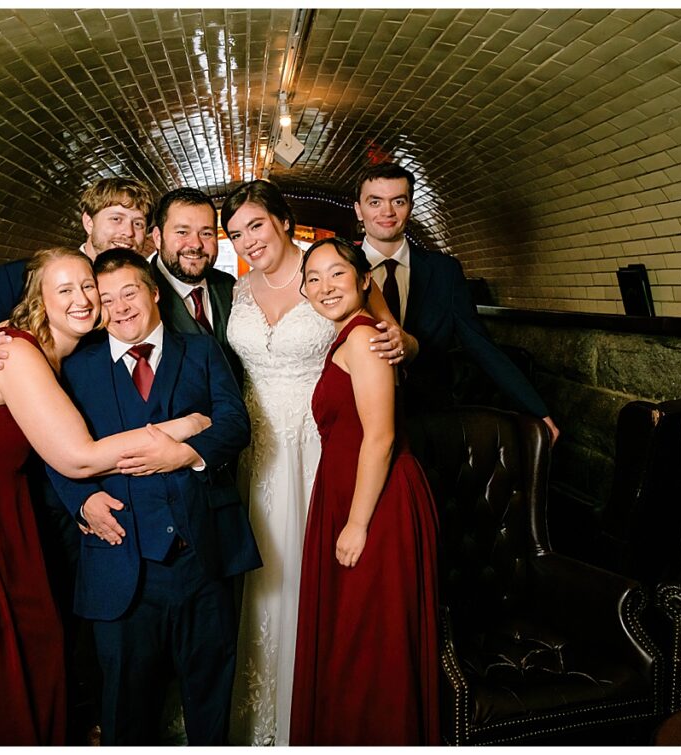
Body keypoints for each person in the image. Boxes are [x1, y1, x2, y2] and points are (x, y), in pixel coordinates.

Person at [0, 247, 211, 745]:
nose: (82, 298)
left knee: (26, 634)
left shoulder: (69, 355)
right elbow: (76, 457)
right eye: (64, 290)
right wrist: (186, 427)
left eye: (87, 287)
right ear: (39, 300)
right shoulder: (17, 350)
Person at [220, 180, 408, 746]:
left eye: (256, 225)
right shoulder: (238, 290)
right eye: (236, 233)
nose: (248, 240)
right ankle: (258, 713)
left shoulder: (329, 271)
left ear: (282, 220)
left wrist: (401, 342)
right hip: (254, 452)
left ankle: (310, 705)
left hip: (315, 447)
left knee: (309, 574)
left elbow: (388, 337)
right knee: (258, 576)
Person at [46, 249, 260, 745]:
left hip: (202, 557)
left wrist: (187, 455)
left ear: (154, 292)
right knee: (125, 707)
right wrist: (80, 501)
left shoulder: (203, 352)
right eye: (106, 299)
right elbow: (47, 449)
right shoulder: (77, 367)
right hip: (120, 562)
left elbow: (235, 424)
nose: (120, 307)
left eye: (130, 292)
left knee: (210, 699)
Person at [289, 237, 440, 745]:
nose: (325, 286)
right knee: (353, 638)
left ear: (363, 281)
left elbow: (380, 437)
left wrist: (356, 524)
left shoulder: (363, 338)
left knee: (370, 641)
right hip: (351, 494)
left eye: (337, 274)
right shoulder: (351, 335)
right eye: (314, 278)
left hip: (377, 504)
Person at [354, 162, 560, 442]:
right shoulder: (339, 267)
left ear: (410, 207)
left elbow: (480, 345)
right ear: (358, 209)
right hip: (355, 412)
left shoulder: (445, 272)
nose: (387, 212)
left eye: (398, 201)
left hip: (429, 419)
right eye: (375, 201)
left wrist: (537, 410)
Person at [0, 175, 155, 391]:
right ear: (88, 222)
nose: (128, 232)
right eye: (116, 219)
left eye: (138, 223)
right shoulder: (19, 276)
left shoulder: (145, 290)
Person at [149, 187, 243, 382]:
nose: (196, 244)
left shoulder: (229, 285)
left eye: (206, 233)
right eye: (182, 232)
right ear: (158, 238)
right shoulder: (138, 294)